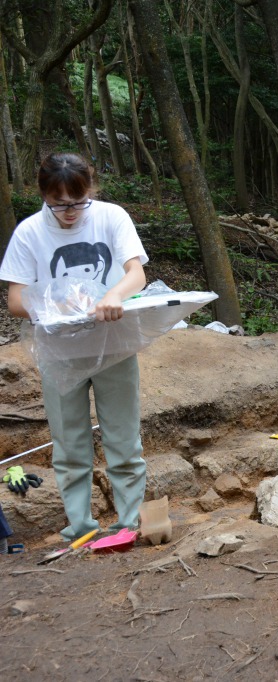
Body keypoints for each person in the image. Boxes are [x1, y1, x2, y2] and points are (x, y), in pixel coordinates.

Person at [0, 152, 148, 541]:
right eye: (60, 204)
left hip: (113, 343)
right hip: (59, 352)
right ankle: (80, 526)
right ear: (44, 195)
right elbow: (15, 300)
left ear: (90, 190)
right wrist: (51, 302)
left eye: (78, 202)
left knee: (122, 437)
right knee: (69, 443)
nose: (71, 212)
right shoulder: (29, 232)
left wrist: (113, 295)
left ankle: (128, 523)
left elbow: (136, 273)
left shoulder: (111, 216)